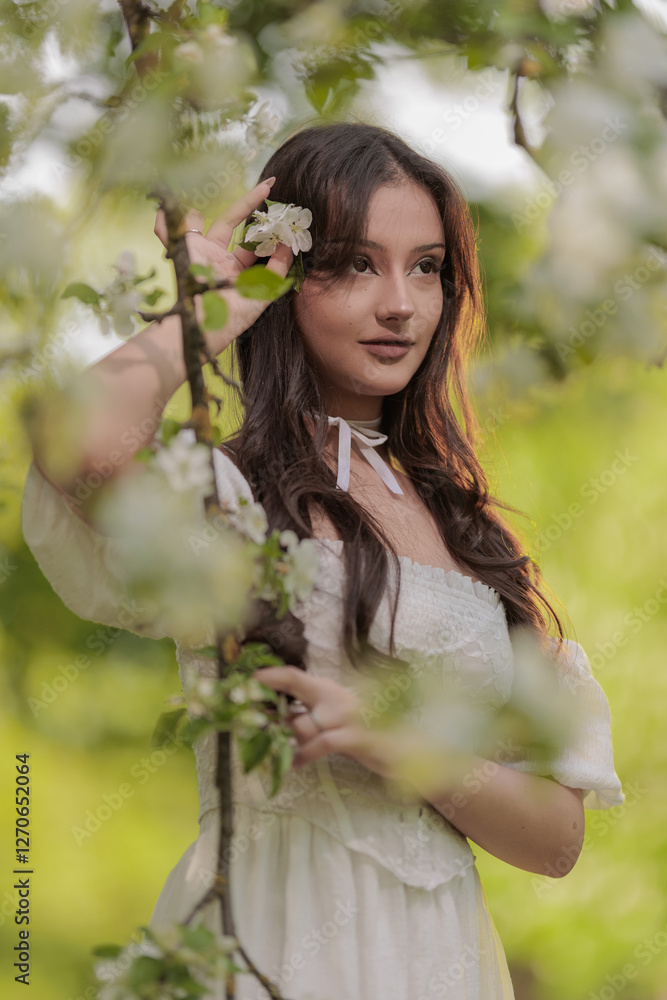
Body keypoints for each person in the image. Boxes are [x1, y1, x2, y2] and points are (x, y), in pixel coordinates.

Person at [21, 122, 624, 1000]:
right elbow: (80, 444)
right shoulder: (230, 498)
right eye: (353, 264)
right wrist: (208, 313)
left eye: (425, 267)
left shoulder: (468, 531)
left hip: (442, 960)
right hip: (277, 928)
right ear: (287, 278)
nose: (400, 304)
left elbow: (554, 839)